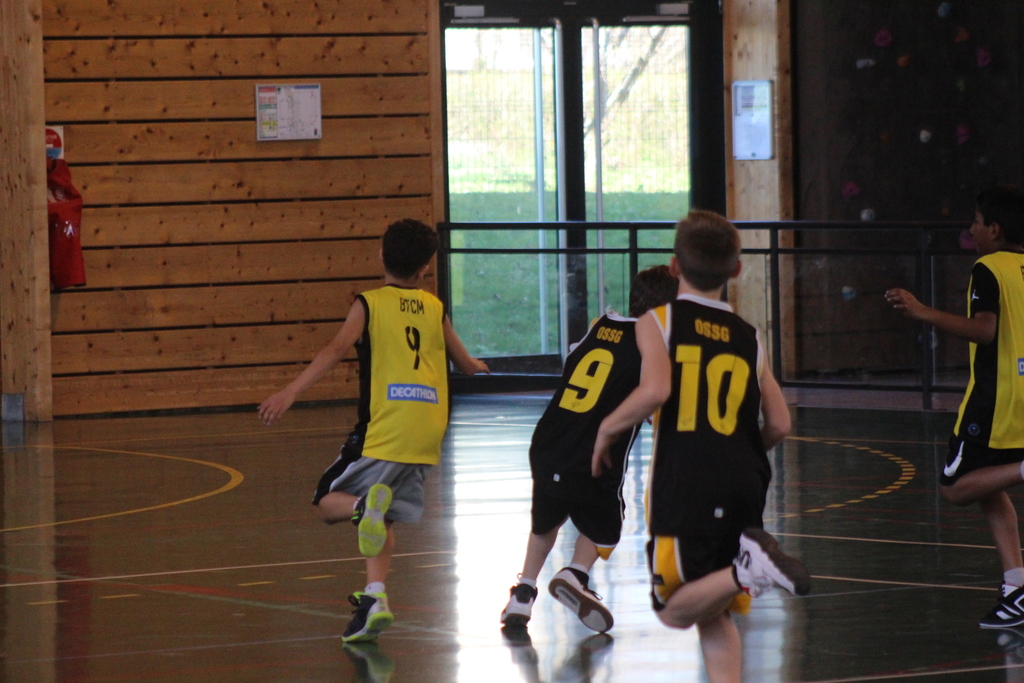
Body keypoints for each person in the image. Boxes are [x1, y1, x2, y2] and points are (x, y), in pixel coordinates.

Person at [591, 210, 810, 683]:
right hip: (746, 482)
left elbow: (656, 390)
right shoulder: (751, 337)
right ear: (737, 270)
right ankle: (745, 572)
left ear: (674, 267)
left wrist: (607, 428)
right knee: (714, 612)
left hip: (687, 482)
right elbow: (780, 423)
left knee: (673, 608)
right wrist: (741, 453)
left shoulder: (659, 321)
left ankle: (746, 572)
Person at [258, 218, 489, 642]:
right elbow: (464, 363)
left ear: (381, 255)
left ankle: (363, 508)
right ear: (425, 269)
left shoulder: (369, 303)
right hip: (427, 430)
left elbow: (336, 348)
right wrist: (478, 366)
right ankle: (375, 597)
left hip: (386, 426)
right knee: (387, 514)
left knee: (327, 501)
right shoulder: (434, 307)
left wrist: (290, 392)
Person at [500, 265, 679, 633]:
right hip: (594, 453)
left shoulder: (601, 325)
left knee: (546, 522)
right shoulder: (653, 345)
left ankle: (523, 593)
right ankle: (576, 573)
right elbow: (655, 394)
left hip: (549, 441)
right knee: (606, 526)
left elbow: (575, 364)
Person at [886, 184, 1024, 629]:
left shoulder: (989, 268)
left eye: (977, 222)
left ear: (995, 230)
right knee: (989, 486)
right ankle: (1017, 589)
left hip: (997, 400)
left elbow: (985, 331)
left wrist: (922, 312)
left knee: (956, 486)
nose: (972, 228)